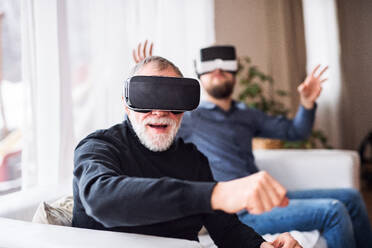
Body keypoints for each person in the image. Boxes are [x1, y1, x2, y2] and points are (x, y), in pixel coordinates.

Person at [133, 43, 372, 248]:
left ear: (235, 72)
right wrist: (145, 88)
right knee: (333, 211)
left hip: (268, 197)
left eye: (224, 67)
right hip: (241, 210)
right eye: (210, 69)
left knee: (350, 196)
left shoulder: (246, 114)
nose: (218, 71)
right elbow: (145, 128)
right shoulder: (188, 118)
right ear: (199, 75)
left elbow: (295, 131)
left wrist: (307, 103)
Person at [72, 55, 302, 248]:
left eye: (172, 99)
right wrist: (215, 194)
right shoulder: (98, 147)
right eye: (147, 97)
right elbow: (101, 199)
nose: (160, 110)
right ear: (126, 103)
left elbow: (227, 229)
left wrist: (261, 246)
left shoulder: (193, 160)